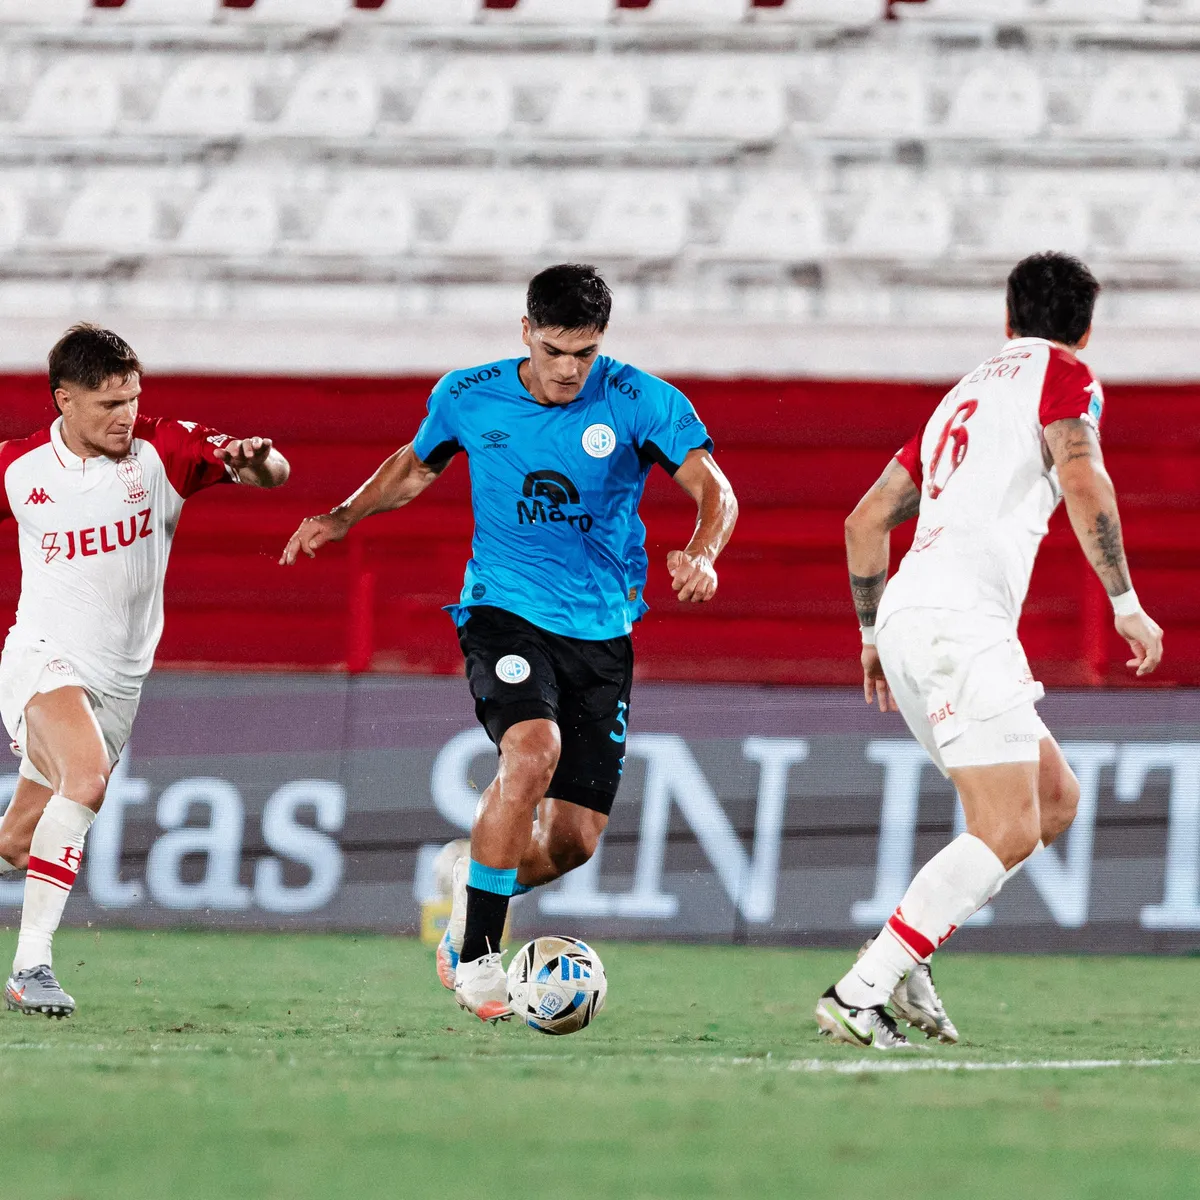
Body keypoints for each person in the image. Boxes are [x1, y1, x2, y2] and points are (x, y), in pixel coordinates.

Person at [281, 264, 737, 1021]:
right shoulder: (467, 393)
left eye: (584, 353)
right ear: (525, 330)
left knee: (571, 843)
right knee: (531, 750)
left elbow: (714, 488)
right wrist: (342, 515)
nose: (568, 369)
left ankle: (473, 885)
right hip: (503, 609)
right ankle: (480, 961)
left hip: (601, 632)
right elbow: (413, 465)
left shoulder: (640, 400)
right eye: (555, 349)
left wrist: (704, 552)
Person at [816, 252, 1164, 1049]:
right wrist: (1125, 603)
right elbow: (1082, 474)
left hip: (909, 616)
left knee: (1053, 799)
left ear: (1007, 318)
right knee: (1008, 823)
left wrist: (871, 634)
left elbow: (864, 522)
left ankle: (905, 954)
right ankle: (862, 988)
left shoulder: (959, 399)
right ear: (1084, 328)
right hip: (961, 622)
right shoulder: (1066, 376)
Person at [0, 324, 290, 1017]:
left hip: (119, 684)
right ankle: (30, 966)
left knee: (17, 842)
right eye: (108, 404)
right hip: (42, 657)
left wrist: (257, 459)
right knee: (88, 779)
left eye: (132, 397)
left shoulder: (165, 448)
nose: (125, 415)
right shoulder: (20, 469)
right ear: (64, 401)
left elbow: (271, 473)